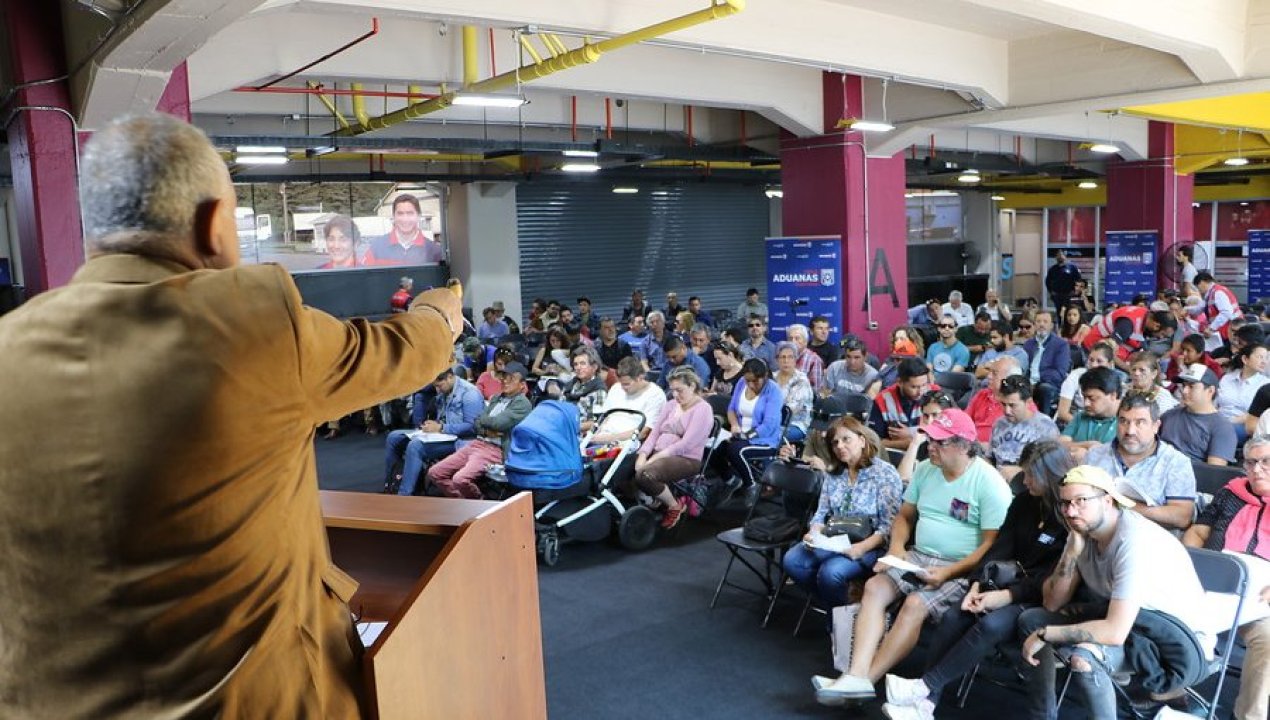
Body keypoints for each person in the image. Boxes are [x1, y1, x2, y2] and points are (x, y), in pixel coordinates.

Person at [0, 112, 464, 717]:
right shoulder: (250, 322)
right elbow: (396, 352)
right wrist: (436, 314)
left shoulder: (10, 343)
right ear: (214, 222)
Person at [814, 409, 1012, 705]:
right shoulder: (926, 469)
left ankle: (865, 681)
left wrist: (948, 572)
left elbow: (990, 546)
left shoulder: (990, 483)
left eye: (940, 442)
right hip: (918, 554)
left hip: (961, 566)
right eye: (930, 440)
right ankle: (855, 675)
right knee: (875, 587)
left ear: (963, 446)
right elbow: (905, 516)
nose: (930, 447)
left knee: (915, 604)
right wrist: (896, 547)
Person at [880, 441, 1071, 719]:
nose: (1025, 480)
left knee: (990, 624)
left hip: (1036, 597)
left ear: (1051, 477)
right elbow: (1000, 547)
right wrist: (977, 584)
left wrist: (1006, 596)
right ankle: (926, 704)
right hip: (1004, 582)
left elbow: (1049, 578)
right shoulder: (1024, 502)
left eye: (1032, 475)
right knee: (954, 616)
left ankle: (924, 689)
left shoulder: (1069, 519)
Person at [1016, 465, 1215, 720]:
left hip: (1174, 643)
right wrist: (1071, 553)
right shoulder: (1082, 530)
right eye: (1065, 503)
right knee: (1031, 620)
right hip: (1131, 626)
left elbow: (1114, 632)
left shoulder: (1134, 541)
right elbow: (1052, 603)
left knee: (1084, 659)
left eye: (1081, 501)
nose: (1070, 511)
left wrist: (1046, 634)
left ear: (1108, 500)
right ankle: (1042, 715)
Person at [1182, 434, 1270, 720]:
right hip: (1212, 583)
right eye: (1251, 463)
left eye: (1266, 462)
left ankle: (1248, 716)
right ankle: (1173, 693)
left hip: (1260, 597)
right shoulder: (1230, 494)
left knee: (1268, 641)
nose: (1257, 469)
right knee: (1172, 615)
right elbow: (1198, 532)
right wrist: (1187, 565)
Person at [780, 416, 904, 608]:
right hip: (835, 539)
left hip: (870, 543)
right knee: (792, 561)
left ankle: (841, 612)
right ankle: (843, 608)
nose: (840, 446)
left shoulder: (884, 474)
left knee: (830, 573)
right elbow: (821, 512)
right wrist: (814, 533)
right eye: (835, 442)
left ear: (862, 441)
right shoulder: (834, 473)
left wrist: (861, 548)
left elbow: (888, 526)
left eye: (846, 439)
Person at [1084, 392, 1197, 530]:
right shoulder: (1095, 455)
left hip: (1151, 538)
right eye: (1124, 421)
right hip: (1095, 535)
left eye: (1140, 423)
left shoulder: (1176, 463)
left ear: (1156, 426)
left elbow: (1182, 517)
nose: (1130, 431)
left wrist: (1125, 505)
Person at [426, 361, 533, 499]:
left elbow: (497, 424)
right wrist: (487, 429)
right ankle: (462, 502)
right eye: (504, 376)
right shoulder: (497, 398)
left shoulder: (523, 404)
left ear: (522, 384)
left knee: (460, 479)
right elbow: (476, 422)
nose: (505, 381)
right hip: (478, 443)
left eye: (511, 378)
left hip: (496, 449)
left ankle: (479, 505)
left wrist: (484, 421)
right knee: (435, 473)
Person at [632, 367, 714, 530]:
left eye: (679, 390)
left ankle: (674, 505)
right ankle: (651, 499)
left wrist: (655, 458)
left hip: (686, 459)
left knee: (646, 475)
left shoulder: (703, 409)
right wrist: (643, 454)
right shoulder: (670, 405)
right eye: (672, 390)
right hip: (659, 453)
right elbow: (654, 433)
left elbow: (686, 444)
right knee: (622, 467)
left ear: (692, 386)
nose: (675, 395)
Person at [385, 367, 485, 496]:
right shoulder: (445, 391)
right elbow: (442, 418)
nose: (437, 390)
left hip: (461, 440)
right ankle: (391, 485)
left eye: (439, 386)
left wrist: (441, 428)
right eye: (435, 386)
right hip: (442, 435)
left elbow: (472, 427)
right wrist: (431, 425)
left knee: (416, 446)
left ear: (450, 377)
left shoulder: (470, 394)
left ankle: (404, 495)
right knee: (393, 437)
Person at [724, 358, 787, 487]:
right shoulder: (741, 382)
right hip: (740, 434)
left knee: (735, 450)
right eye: (748, 381)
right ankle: (730, 481)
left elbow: (768, 426)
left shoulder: (773, 391)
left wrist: (745, 436)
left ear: (765, 376)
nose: (751, 385)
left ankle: (750, 485)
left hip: (765, 440)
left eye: (755, 381)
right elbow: (731, 409)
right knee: (715, 448)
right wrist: (734, 425)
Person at [1161, 364, 1237, 466]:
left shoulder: (1222, 428)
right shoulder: (1168, 415)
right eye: (1184, 385)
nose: (1184, 391)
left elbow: (1215, 471)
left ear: (1210, 391)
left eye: (1191, 386)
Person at [989, 376, 1059, 477]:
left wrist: (1021, 471)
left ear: (1028, 402)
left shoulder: (1045, 427)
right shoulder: (999, 424)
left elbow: (1050, 466)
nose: (1007, 411)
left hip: (1027, 479)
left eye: (1012, 405)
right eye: (1003, 404)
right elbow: (990, 457)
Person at [588, 356, 667, 442]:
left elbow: (644, 432)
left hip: (628, 442)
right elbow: (604, 419)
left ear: (640, 378)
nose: (623, 388)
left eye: (627, 384)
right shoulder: (616, 388)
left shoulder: (655, 395)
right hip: (603, 436)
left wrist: (608, 438)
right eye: (621, 383)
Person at [869, 357, 935, 451]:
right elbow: (873, 441)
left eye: (924, 385)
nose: (920, 392)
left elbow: (946, 431)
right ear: (899, 382)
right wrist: (904, 444)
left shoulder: (936, 395)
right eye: (914, 387)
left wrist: (911, 433)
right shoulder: (882, 400)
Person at [1060, 366, 1123, 462]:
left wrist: (1088, 455)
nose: (1086, 403)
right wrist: (1088, 445)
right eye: (1084, 397)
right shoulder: (1081, 416)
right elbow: (1060, 445)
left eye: (1092, 398)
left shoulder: (1127, 421)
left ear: (1113, 395)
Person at [365, 193, 444, 265]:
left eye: (410, 213)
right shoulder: (377, 247)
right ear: (393, 216)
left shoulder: (434, 251)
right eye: (400, 213)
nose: (405, 219)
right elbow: (364, 274)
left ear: (418, 216)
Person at [1056, 341, 1118, 424]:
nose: (1094, 365)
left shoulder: (1114, 382)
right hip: (1072, 422)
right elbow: (1063, 413)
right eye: (1091, 360)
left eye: (1099, 361)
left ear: (1109, 364)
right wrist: (1084, 427)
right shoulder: (1075, 376)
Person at [1218, 342, 1270, 443]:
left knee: (1224, 432)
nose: (1264, 361)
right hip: (1218, 420)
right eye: (1260, 357)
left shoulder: (1266, 385)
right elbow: (1215, 403)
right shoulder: (1227, 378)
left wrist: (1228, 422)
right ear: (1245, 359)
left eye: (1266, 358)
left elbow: (1257, 414)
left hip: (1243, 426)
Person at [964, 356, 1024, 443]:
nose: (989, 376)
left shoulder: (1021, 404)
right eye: (989, 371)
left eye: (994, 373)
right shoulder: (982, 394)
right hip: (970, 444)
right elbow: (965, 420)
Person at [1022, 310, 1070, 416]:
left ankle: (1044, 421)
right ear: (1034, 325)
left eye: (1045, 321)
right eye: (1038, 321)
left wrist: (1037, 380)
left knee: (1044, 388)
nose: (1041, 324)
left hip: (1048, 383)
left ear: (1051, 325)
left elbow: (1060, 372)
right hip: (1027, 383)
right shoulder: (1028, 344)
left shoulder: (1061, 345)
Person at [548, 346, 608, 426]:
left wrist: (570, 427)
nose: (578, 368)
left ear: (594, 367)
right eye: (576, 364)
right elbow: (559, 408)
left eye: (582, 363)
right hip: (560, 424)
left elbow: (596, 423)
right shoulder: (570, 385)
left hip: (580, 430)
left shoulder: (599, 391)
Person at [773, 342, 814, 443]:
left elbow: (789, 411)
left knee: (771, 435)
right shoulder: (772, 378)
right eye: (782, 357)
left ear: (796, 360)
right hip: (772, 421)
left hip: (795, 424)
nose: (786, 361)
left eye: (790, 357)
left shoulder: (801, 380)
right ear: (777, 360)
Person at [1196, 270, 1244, 352]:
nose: (1198, 289)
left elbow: (1226, 312)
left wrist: (1211, 328)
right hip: (1227, 330)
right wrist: (1187, 310)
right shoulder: (1211, 294)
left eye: (1197, 286)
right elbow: (1199, 308)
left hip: (1232, 331)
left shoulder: (1218, 292)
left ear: (1202, 282)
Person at [1126, 350, 1179, 417]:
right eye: (1134, 370)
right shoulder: (1125, 390)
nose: (1136, 373)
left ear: (1154, 374)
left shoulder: (1162, 396)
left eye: (1142, 370)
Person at [786, 323, 825, 389]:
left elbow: (816, 389)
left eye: (797, 338)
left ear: (805, 341)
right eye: (790, 338)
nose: (793, 341)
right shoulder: (783, 357)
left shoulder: (814, 360)